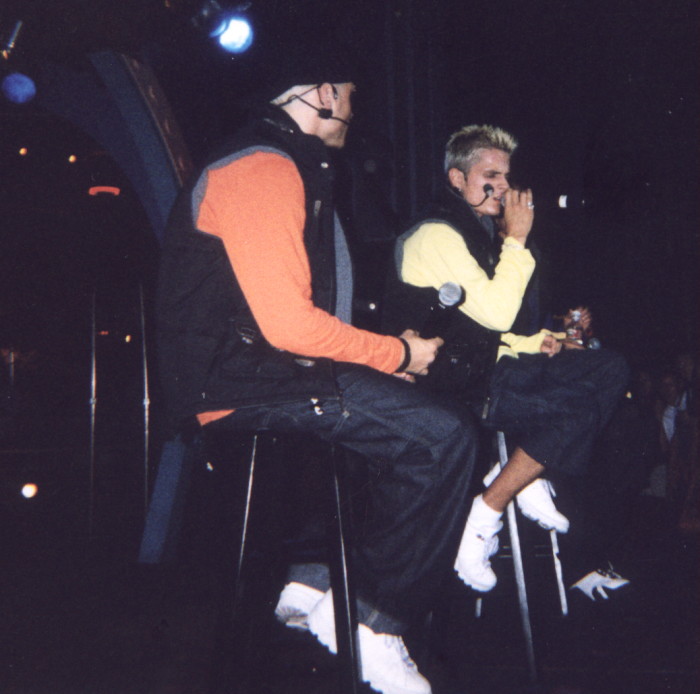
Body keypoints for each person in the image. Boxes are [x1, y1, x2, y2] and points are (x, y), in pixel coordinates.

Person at [155, 52, 478, 694]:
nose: (354, 106)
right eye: (350, 92)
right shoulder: (264, 167)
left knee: (395, 423)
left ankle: (311, 581)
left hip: (262, 374)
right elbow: (289, 327)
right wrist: (396, 355)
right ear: (324, 94)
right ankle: (373, 621)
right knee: (446, 437)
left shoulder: (285, 163)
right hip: (246, 381)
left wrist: (382, 359)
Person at [386, 124, 630, 596]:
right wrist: (516, 240)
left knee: (609, 368)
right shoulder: (436, 234)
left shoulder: (474, 233)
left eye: (506, 176)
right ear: (457, 179)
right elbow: (496, 315)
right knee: (577, 409)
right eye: (490, 175)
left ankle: (518, 473)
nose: (503, 186)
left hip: (487, 367)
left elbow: (489, 331)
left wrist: (543, 341)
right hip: (453, 383)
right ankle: (489, 508)